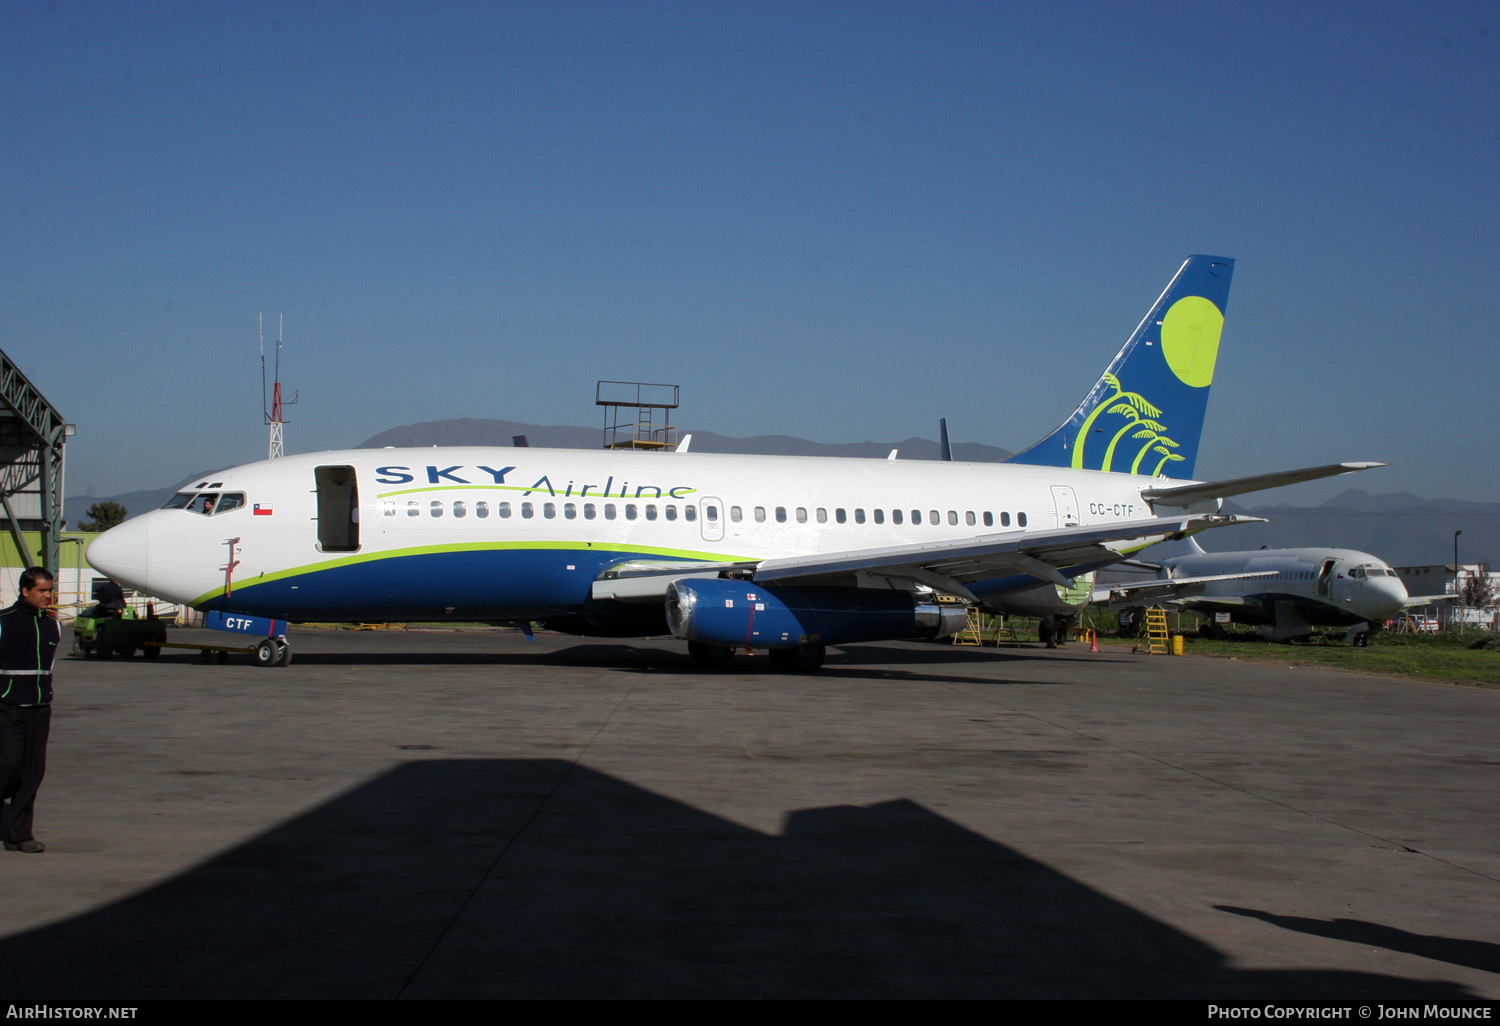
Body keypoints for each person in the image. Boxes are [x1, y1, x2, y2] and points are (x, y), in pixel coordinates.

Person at [0, 568, 59, 853]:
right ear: (25, 591)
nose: (48, 595)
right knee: (10, 764)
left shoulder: (52, 625)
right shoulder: (4, 622)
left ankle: (20, 836)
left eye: (49, 590)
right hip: (7, 708)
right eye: (42, 590)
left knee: (33, 771)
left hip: (39, 709)